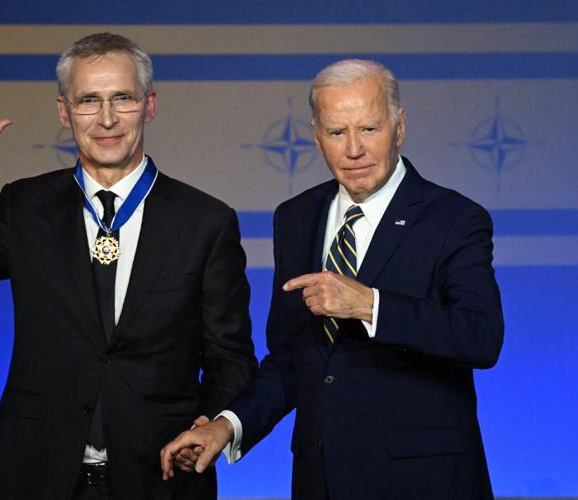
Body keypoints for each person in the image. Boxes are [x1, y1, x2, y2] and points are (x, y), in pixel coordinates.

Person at [0, 32, 256, 500]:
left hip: (161, 481)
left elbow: (231, 357)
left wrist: (214, 425)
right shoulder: (26, 207)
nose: (106, 119)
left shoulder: (206, 221)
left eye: (121, 98)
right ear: (64, 112)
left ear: (149, 105)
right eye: (88, 101)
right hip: (33, 476)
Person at [160, 59, 504, 499]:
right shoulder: (296, 217)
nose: (354, 149)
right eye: (337, 132)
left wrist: (369, 306)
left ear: (399, 127)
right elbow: (289, 358)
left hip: (423, 481)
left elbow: (480, 336)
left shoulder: (454, 218)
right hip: (320, 479)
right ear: (317, 135)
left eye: (369, 129)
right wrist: (227, 426)